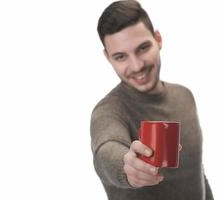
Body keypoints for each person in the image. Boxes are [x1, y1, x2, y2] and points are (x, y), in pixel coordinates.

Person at [90, 1, 214, 199]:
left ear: (158, 39)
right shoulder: (108, 111)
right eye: (121, 56)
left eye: (143, 48)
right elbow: (106, 151)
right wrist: (126, 167)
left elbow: (196, 172)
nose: (137, 65)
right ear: (108, 57)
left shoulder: (184, 96)